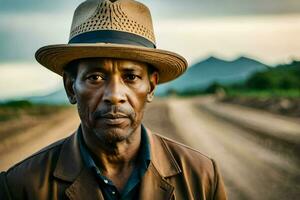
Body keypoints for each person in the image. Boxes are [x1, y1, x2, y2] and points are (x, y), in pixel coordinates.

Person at [0, 0, 227, 199]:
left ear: (151, 86)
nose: (114, 96)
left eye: (130, 77)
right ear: (71, 87)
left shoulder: (202, 176)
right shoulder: (21, 186)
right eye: (95, 77)